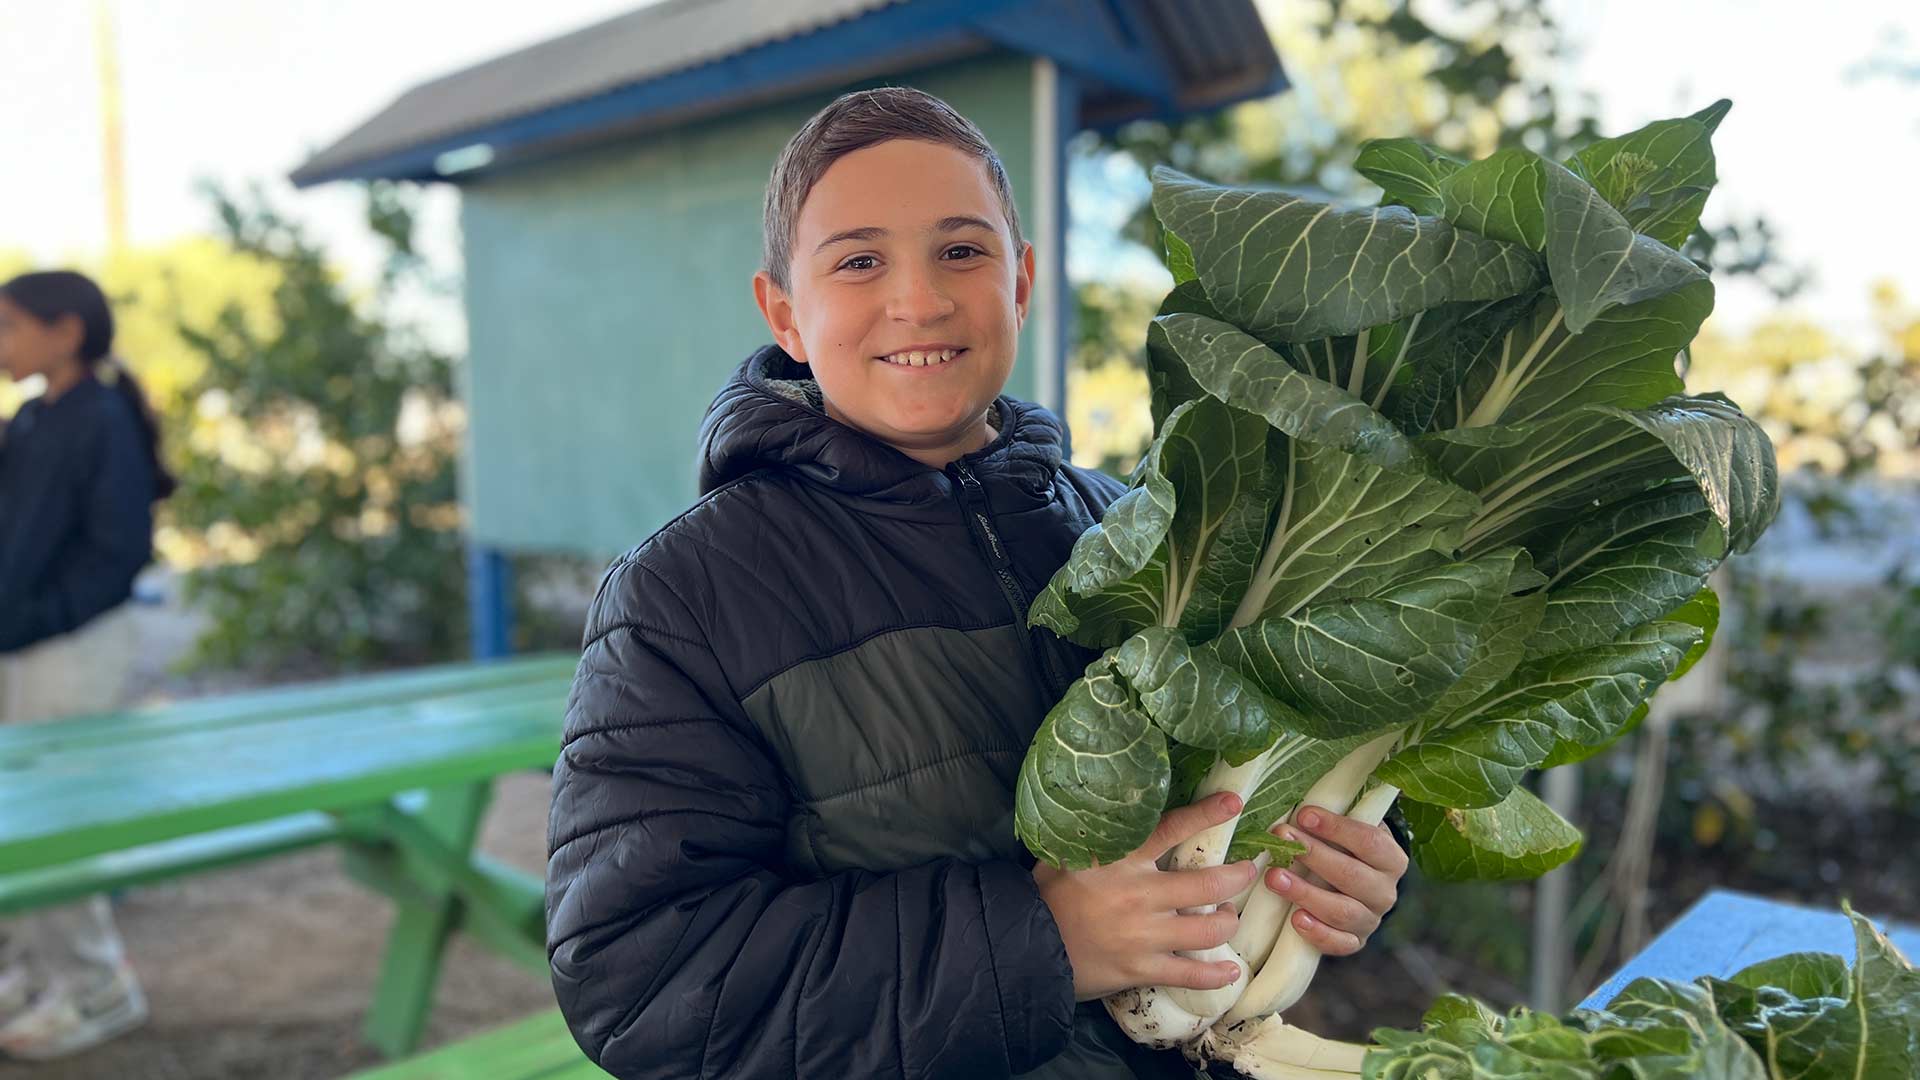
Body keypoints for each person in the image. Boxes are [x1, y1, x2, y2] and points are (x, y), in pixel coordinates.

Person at [544, 87, 1410, 1079]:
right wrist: (1036, 943)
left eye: (962, 250)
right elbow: (642, 985)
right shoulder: (683, 596)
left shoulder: (1149, 527)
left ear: (1022, 282)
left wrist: (1352, 870)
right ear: (784, 312)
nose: (919, 299)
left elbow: (1261, 784)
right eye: (859, 261)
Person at [0, 269, 174, 1060]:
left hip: (70, 648)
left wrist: (32, 619)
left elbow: (118, 552)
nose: (1, 343)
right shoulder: (32, 418)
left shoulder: (99, 417)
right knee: (17, 810)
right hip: (21, 644)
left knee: (56, 815)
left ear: (64, 330)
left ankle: (98, 985)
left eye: (9, 326)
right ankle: (38, 972)